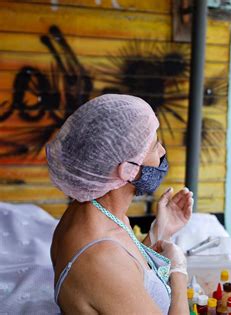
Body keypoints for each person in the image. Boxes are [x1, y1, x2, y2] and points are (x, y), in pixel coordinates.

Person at [47, 94, 193, 314]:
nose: (162, 152)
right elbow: (114, 270)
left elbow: (132, 274)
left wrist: (159, 233)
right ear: (127, 169)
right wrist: (179, 273)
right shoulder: (101, 258)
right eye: (154, 146)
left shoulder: (96, 211)